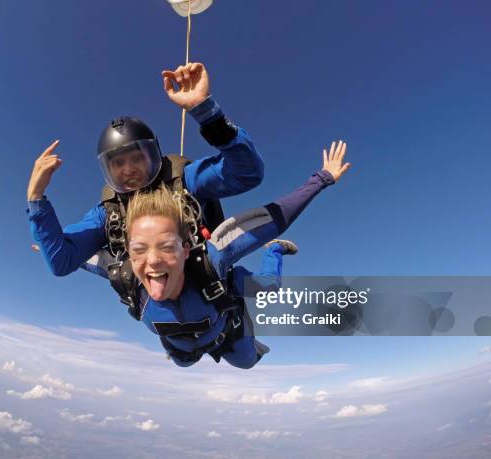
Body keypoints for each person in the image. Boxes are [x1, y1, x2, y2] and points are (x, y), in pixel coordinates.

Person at [89, 140, 351, 369]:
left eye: (167, 247)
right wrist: (45, 219)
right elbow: (76, 258)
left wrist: (323, 178)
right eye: (140, 250)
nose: (153, 261)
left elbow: (271, 217)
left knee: (251, 348)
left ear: (185, 249)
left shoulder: (212, 260)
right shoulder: (127, 274)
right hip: (182, 346)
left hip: (226, 326)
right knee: (183, 361)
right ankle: (186, 350)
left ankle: (274, 250)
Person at [27, 62, 265, 283]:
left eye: (137, 157)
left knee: (264, 286)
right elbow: (61, 261)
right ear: (107, 169)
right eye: (118, 163)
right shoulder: (109, 212)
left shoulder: (184, 181)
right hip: (164, 313)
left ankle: (274, 251)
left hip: (213, 292)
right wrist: (36, 197)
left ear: (154, 155)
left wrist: (205, 111)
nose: (128, 169)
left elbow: (247, 173)